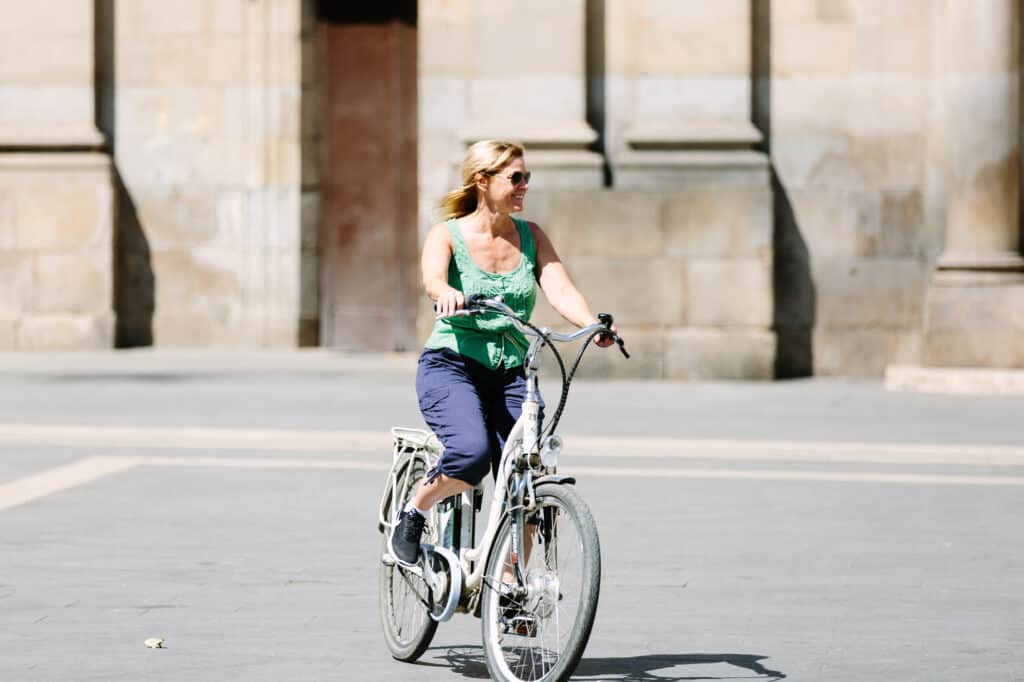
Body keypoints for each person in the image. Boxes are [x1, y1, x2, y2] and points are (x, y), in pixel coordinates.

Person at [389, 139, 617, 567]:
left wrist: (591, 324)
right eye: (515, 177)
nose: (523, 186)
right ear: (483, 181)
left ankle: (511, 584)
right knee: (471, 454)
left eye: (526, 177)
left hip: (512, 371)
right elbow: (432, 280)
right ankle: (416, 508)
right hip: (452, 364)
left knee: (528, 475)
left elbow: (559, 288)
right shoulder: (447, 234)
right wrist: (448, 294)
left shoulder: (531, 237)